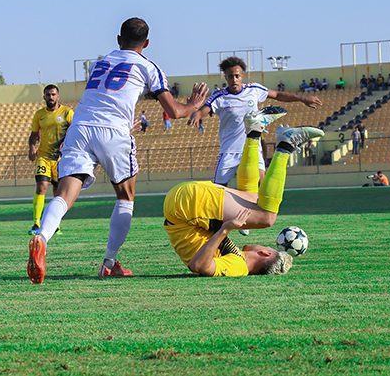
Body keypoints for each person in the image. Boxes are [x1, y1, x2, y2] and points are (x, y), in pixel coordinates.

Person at [27, 18, 209, 284]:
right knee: (125, 196)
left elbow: (103, 99)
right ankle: (109, 263)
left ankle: (42, 237)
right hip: (113, 133)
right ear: (147, 43)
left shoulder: (100, 63)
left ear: (118, 39)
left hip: (80, 128)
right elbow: (173, 111)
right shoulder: (148, 66)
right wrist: (193, 104)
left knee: (64, 194)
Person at [164, 115, 324, 277]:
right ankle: (254, 132)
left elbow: (198, 266)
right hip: (183, 205)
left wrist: (226, 229)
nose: (266, 245)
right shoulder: (238, 259)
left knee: (267, 218)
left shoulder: (239, 267)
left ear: (265, 253)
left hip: (186, 209)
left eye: (268, 247)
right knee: (253, 198)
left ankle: (286, 145)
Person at [187, 56, 322, 199]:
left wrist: (302, 99)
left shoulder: (254, 90)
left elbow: (277, 94)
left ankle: (256, 211)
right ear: (225, 77)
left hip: (252, 149)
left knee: (262, 185)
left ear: (242, 76)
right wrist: (196, 115)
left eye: (237, 76)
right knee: (218, 192)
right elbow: (202, 110)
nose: (234, 79)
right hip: (229, 152)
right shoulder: (220, 97)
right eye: (230, 76)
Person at [28, 85, 74, 234]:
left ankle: (55, 225)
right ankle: (36, 224)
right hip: (44, 156)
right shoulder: (39, 115)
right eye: (48, 95)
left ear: (58, 96)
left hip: (60, 158)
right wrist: (32, 148)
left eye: (53, 94)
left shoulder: (67, 112)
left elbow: (75, 130)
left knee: (58, 191)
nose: (51, 97)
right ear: (44, 97)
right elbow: (33, 135)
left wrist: (66, 141)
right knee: (41, 186)